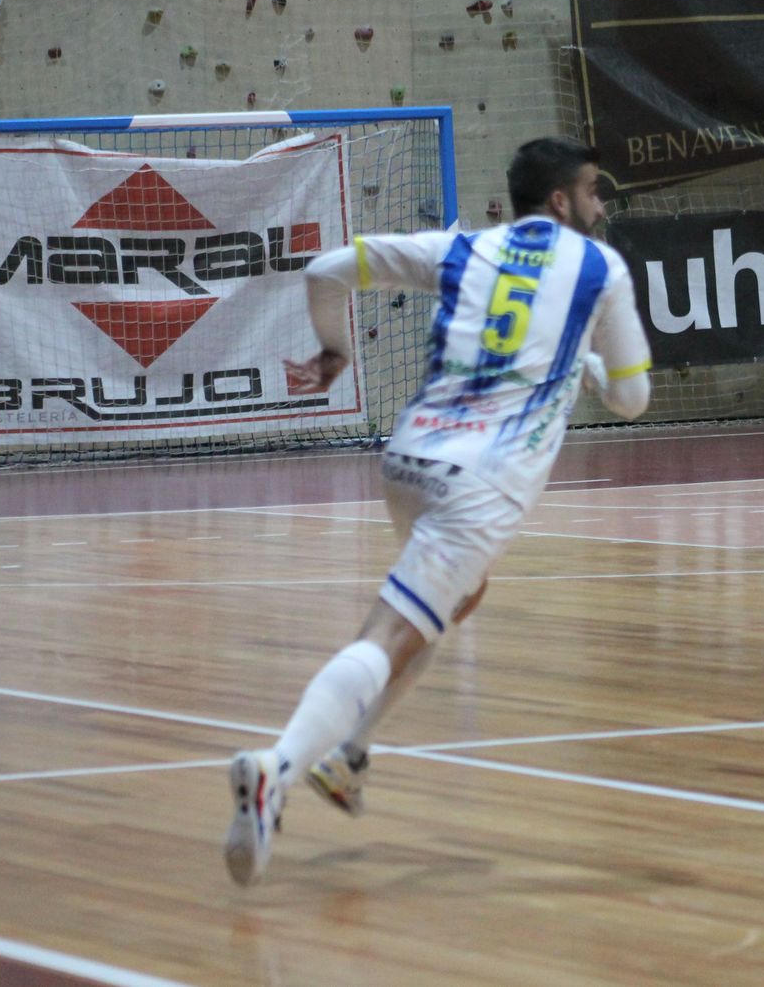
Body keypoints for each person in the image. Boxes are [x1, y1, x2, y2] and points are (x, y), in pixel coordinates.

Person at [223, 136, 652, 886]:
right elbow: (632, 399)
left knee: (455, 600)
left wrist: (334, 353)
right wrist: (585, 366)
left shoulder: (461, 250)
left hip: (409, 459)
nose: (601, 204)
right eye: (593, 191)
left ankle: (348, 756)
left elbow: (326, 270)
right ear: (561, 201)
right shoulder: (601, 268)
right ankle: (279, 767)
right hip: (480, 483)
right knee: (392, 632)